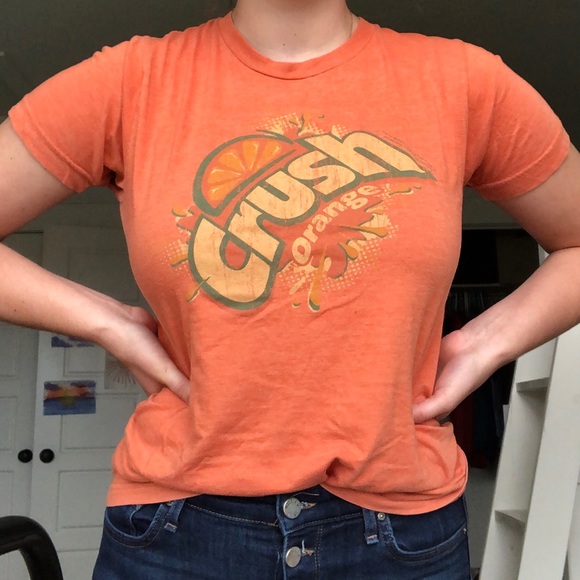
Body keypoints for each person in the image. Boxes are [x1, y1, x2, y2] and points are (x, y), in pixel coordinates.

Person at [1, 0, 580, 577]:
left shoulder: (465, 81)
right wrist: (107, 322)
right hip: (176, 533)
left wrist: (483, 344)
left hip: (400, 532)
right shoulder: (129, 80)